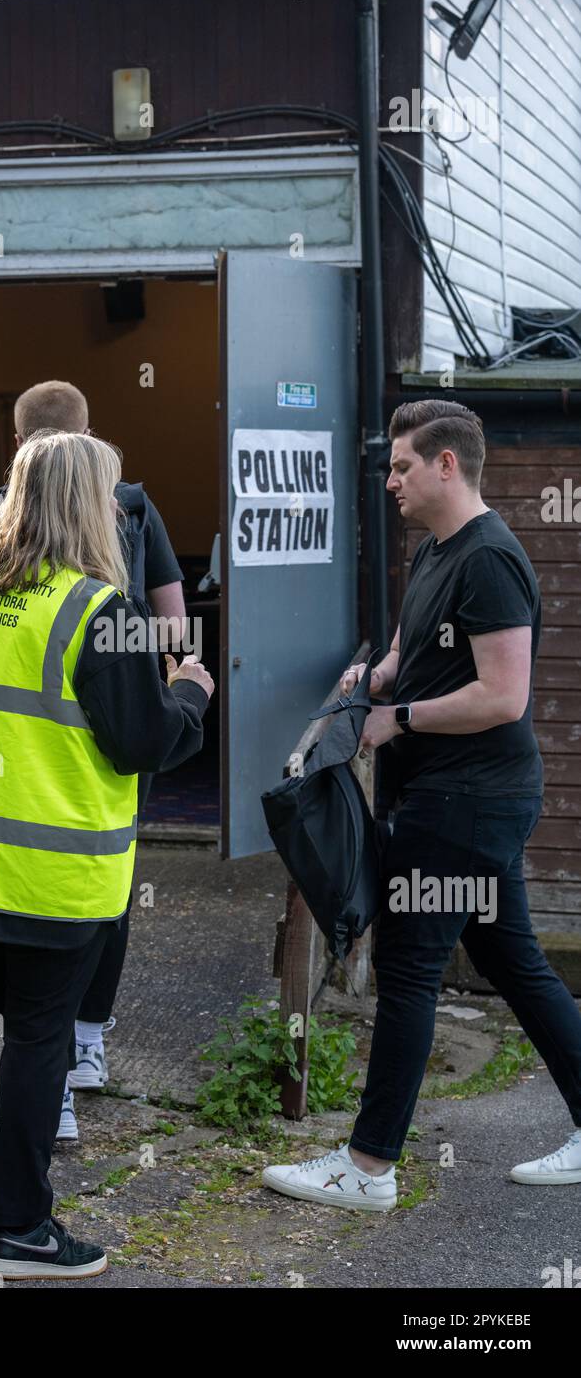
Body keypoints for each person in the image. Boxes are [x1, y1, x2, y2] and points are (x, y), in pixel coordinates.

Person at [0, 430, 214, 1278]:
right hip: (50, 872)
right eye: (109, 492)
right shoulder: (100, 611)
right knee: (38, 1035)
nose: (117, 507)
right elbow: (143, 741)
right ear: (82, 503)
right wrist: (190, 695)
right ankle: (21, 1231)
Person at [263, 399, 581, 1211]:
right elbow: (415, 651)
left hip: (466, 803)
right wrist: (373, 680)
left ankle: (368, 1169)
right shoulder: (437, 551)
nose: (391, 478)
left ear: (447, 464)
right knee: (513, 960)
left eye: (403, 464)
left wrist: (394, 719)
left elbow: (503, 696)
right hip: (457, 801)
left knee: (408, 969)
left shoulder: (491, 559)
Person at [0, 379, 187, 1140]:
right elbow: (171, 617)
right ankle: (80, 1047)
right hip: (100, 733)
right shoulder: (133, 509)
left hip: (12, 750)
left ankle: (55, 1066)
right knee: (105, 879)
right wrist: (156, 691)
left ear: (17, 446)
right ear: (90, 440)